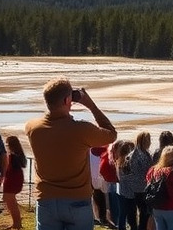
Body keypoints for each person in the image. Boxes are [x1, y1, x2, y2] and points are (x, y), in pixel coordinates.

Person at [25, 79, 117, 230]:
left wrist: (57, 102)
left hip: (46, 199)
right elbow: (111, 134)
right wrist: (90, 104)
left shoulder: (32, 128)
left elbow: (50, 120)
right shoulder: (82, 130)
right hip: (77, 199)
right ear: (68, 100)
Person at [120, 131, 153, 230]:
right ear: (143, 141)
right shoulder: (136, 155)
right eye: (148, 140)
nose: (150, 142)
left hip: (143, 186)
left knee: (144, 211)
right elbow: (135, 172)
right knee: (143, 211)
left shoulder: (145, 153)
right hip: (139, 187)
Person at [2, 135, 27, 230]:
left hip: (11, 179)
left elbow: (8, 168)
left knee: (11, 202)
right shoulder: (19, 154)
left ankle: (17, 223)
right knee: (11, 201)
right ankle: (16, 222)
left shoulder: (12, 155)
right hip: (15, 178)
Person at [114, 140, 136, 230]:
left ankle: (122, 227)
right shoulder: (127, 163)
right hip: (129, 192)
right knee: (131, 214)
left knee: (122, 214)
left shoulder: (118, 161)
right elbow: (131, 178)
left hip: (121, 190)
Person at [90, 146, 110, 228]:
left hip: (93, 178)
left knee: (96, 198)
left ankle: (97, 218)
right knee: (101, 198)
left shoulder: (88, 150)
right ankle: (102, 218)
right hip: (101, 179)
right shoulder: (106, 149)